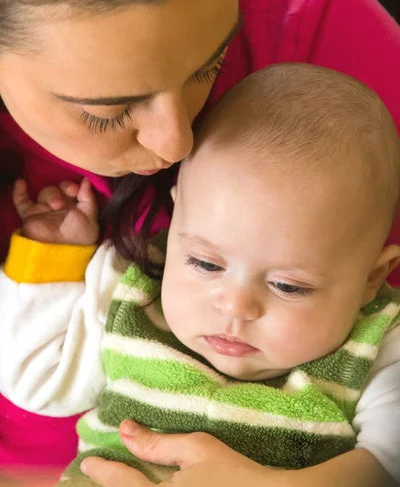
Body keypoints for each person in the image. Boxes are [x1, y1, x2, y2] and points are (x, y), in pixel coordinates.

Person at [1, 0, 400, 482]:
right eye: (110, 109)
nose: (176, 145)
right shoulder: (126, 293)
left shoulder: (331, 48)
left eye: (210, 65)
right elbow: (38, 383)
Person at [1, 64, 400, 487]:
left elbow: (390, 460)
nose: (235, 305)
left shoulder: (378, 345)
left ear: (372, 278)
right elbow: (38, 381)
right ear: (174, 230)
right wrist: (52, 259)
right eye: (207, 264)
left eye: (287, 286)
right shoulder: (134, 293)